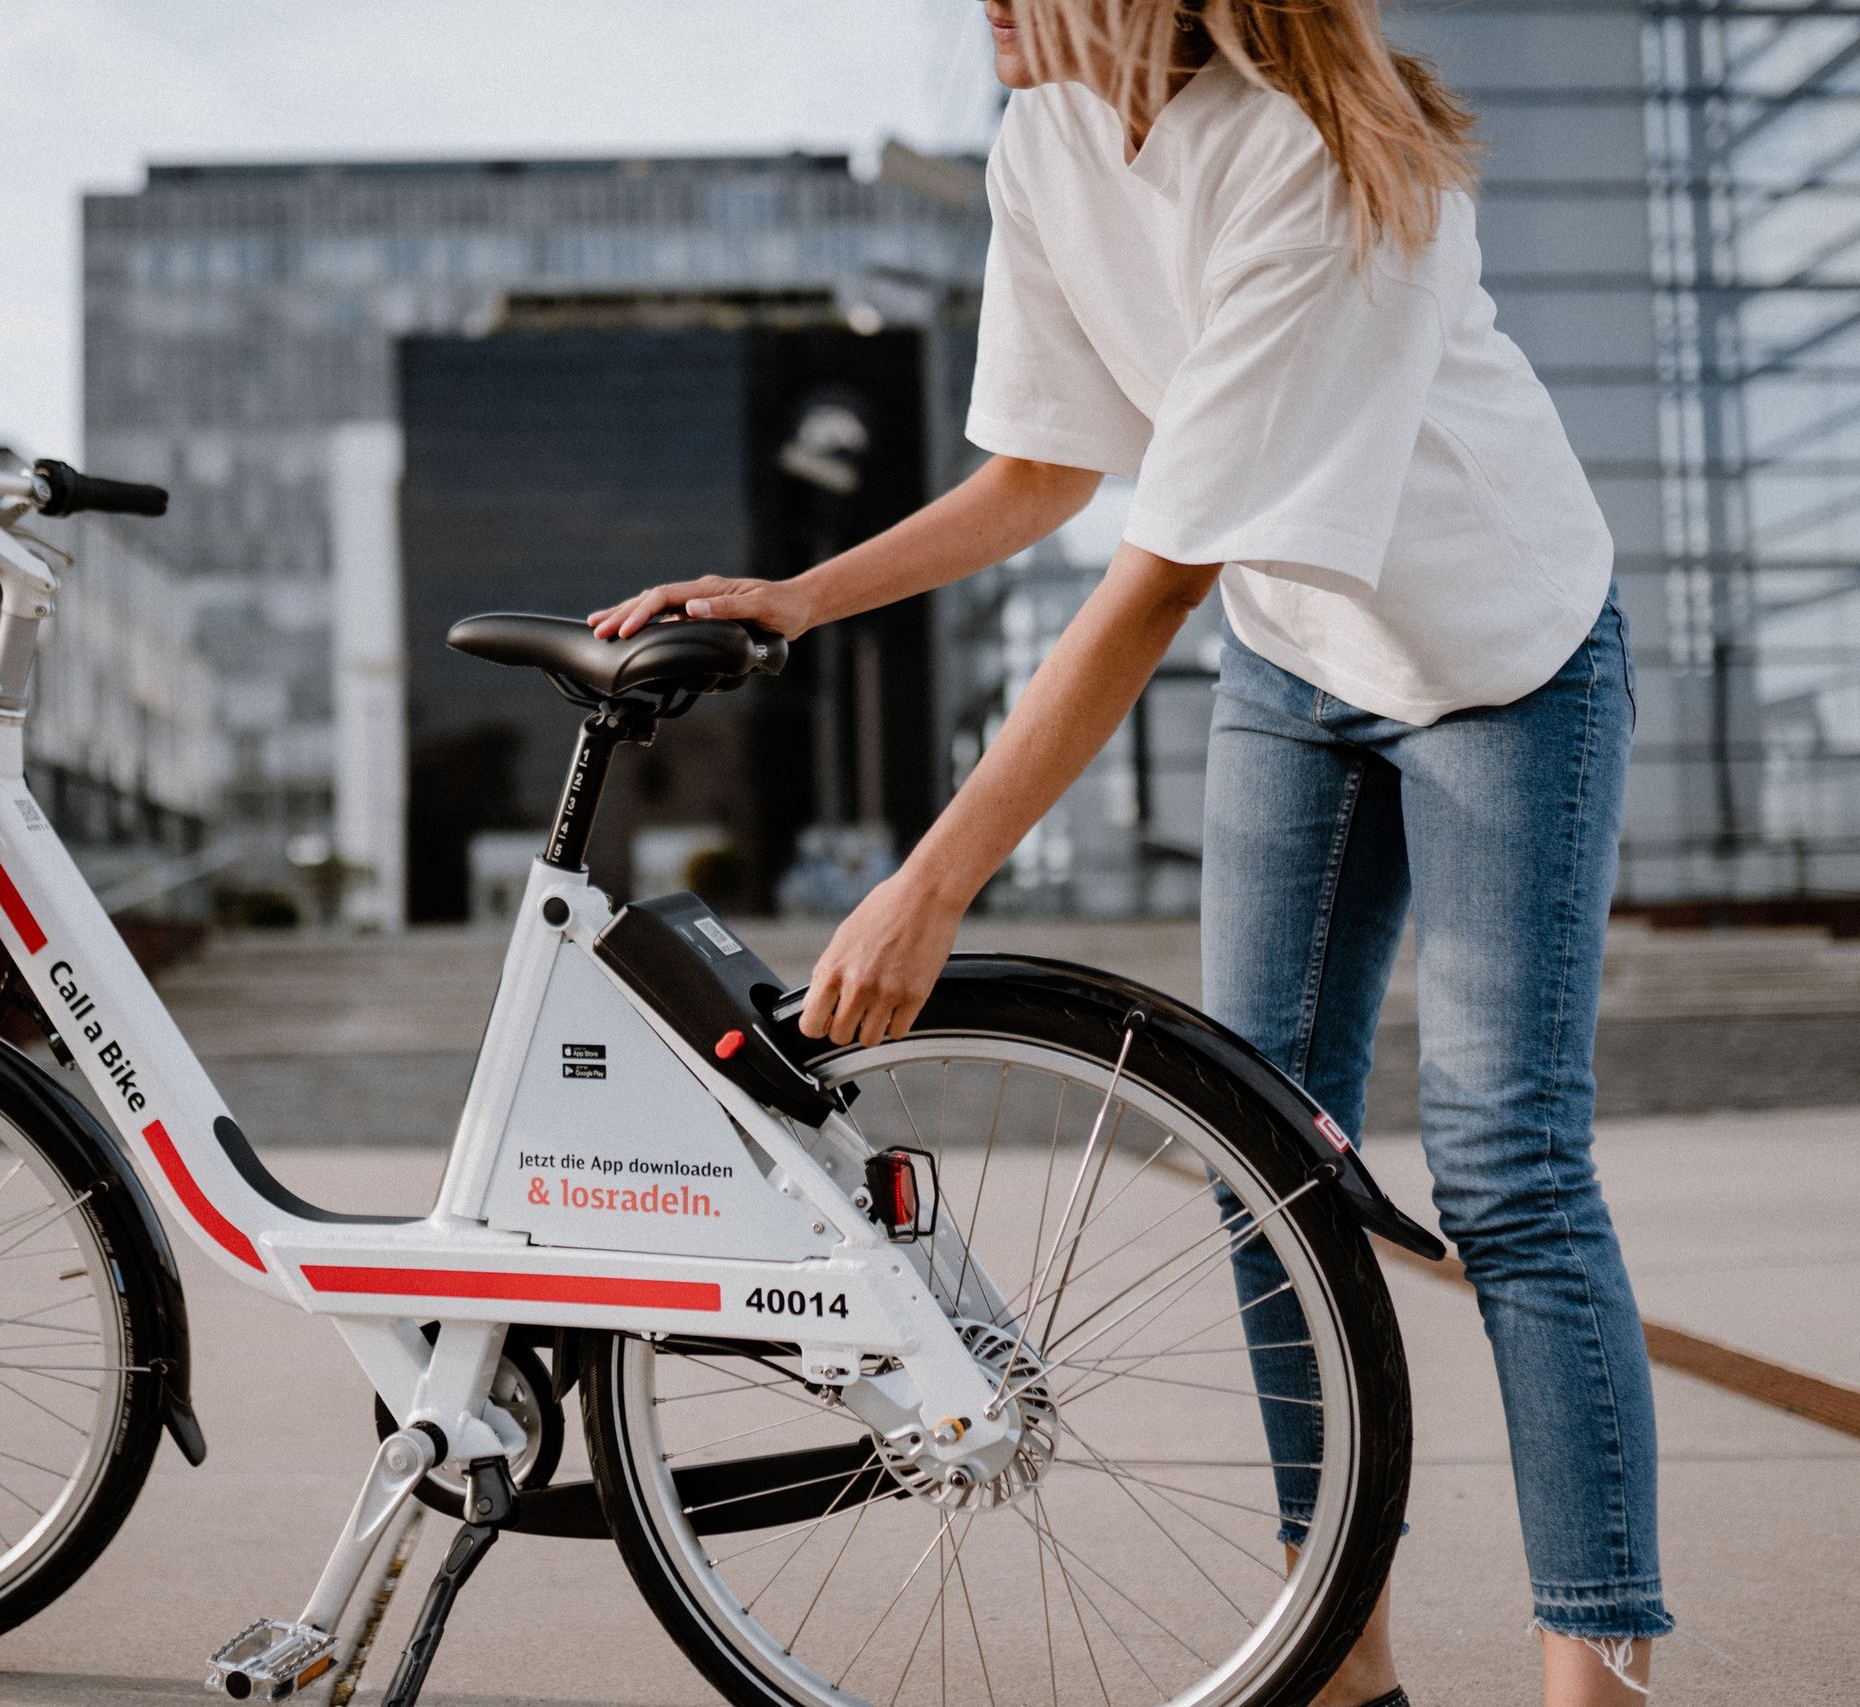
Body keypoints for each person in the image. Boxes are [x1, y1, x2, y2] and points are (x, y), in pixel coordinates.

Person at [591, 1, 1666, 1701]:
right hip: (1301, 664)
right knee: (1263, 1160)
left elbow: (1155, 575)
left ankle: (1597, 1671)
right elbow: (1040, 473)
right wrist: (797, 597)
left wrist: (933, 879)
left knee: (1508, 1170)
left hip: (1501, 658)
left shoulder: (1315, 159)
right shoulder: (1050, 139)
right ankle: (1343, 1662)